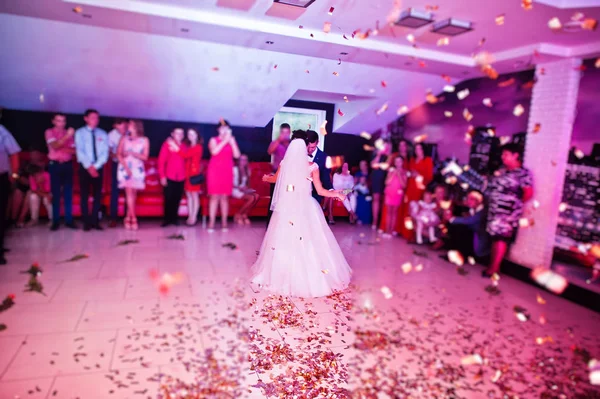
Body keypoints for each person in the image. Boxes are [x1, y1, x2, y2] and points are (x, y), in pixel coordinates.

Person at [251, 136, 351, 298]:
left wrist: (266, 178)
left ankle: (282, 276)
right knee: (311, 241)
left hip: (287, 208)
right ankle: (312, 278)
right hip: (307, 207)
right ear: (304, 149)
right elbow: (320, 191)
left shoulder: (284, 164)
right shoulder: (312, 167)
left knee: (283, 241)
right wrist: (336, 194)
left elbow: (274, 180)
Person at [483, 143, 533, 277]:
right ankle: (494, 266)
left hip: (507, 213)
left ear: (515, 155)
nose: (502, 157)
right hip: (494, 210)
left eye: (506, 154)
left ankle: (493, 269)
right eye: (502, 154)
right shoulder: (502, 170)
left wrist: (512, 204)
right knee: (495, 238)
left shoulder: (523, 173)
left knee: (501, 239)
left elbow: (527, 193)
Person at [75, 109, 109, 231]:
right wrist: (89, 166)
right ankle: (86, 222)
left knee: (97, 195)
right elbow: (80, 151)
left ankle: (95, 220)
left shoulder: (103, 134)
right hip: (85, 167)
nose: (96, 120)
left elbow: (105, 153)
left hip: (98, 167)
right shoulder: (79, 133)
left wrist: (96, 166)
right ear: (86, 118)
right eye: (93, 117)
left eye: (97, 118)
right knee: (84, 194)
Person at [206, 120, 241, 232]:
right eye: (222, 128)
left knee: (225, 197)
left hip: (227, 172)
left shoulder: (231, 140)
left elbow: (237, 155)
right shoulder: (213, 140)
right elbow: (214, 152)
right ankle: (211, 223)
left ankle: (224, 223)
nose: (224, 130)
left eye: (226, 128)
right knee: (214, 197)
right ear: (218, 129)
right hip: (214, 171)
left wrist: (231, 142)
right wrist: (225, 141)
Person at [45, 113, 77, 231]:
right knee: (56, 194)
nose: (61, 123)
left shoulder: (67, 133)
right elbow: (54, 145)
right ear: (53, 121)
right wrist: (67, 136)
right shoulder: (49, 132)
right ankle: (56, 221)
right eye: (59, 121)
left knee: (68, 194)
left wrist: (60, 146)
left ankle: (69, 220)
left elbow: (74, 151)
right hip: (55, 165)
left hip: (67, 165)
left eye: (63, 121)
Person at [437, 191, 490, 260]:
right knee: (457, 221)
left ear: (479, 200)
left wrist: (451, 218)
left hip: (479, 245)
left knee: (460, 227)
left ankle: (458, 254)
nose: (468, 201)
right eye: (468, 198)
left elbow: (470, 221)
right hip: (472, 237)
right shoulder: (473, 209)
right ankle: (447, 246)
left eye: (471, 199)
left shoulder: (483, 212)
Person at [117, 120, 149, 230]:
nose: (127, 126)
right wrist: (126, 168)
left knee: (133, 194)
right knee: (128, 192)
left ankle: (127, 216)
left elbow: (145, 157)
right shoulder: (124, 138)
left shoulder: (144, 140)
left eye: (130, 125)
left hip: (137, 169)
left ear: (136, 126)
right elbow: (119, 154)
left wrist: (132, 153)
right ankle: (133, 218)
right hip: (125, 168)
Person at [399, 143, 434, 240]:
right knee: (408, 208)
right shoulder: (412, 160)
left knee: (417, 209)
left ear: (423, 150)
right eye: (416, 149)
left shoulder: (427, 160)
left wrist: (419, 175)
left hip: (420, 188)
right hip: (410, 187)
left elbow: (429, 177)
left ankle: (414, 234)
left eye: (420, 149)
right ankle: (405, 232)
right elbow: (409, 172)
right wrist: (410, 174)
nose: (417, 151)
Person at [0, 122, 21, 264]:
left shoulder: (1, 130)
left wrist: (14, 175)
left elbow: (13, 152)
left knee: (0, 213)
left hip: (1, 177)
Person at [158, 128, 186, 227]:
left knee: (177, 198)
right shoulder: (166, 145)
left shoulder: (185, 146)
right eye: (177, 133)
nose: (179, 135)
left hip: (182, 176)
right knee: (168, 198)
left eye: (181, 133)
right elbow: (161, 161)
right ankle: (167, 219)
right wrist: (162, 176)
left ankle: (174, 219)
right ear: (172, 134)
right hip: (169, 175)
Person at [266, 123, 291, 225]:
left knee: (287, 199)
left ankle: (284, 224)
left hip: (289, 176)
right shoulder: (276, 143)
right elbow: (269, 151)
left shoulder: (292, 144)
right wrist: (279, 140)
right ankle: (270, 225)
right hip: (276, 175)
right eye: (283, 132)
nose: (285, 134)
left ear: (289, 132)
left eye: (287, 132)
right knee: (274, 200)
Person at [180, 128, 204, 226]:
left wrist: (175, 147)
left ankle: (194, 217)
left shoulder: (198, 147)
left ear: (197, 136)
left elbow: (185, 155)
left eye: (193, 134)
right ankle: (190, 216)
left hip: (194, 175)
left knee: (194, 196)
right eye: (189, 134)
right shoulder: (188, 146)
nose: (191, 136)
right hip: (187, 174)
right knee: (189, 196)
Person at [107, 118, 128, 227]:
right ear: (115, 125)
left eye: (125, 126)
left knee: (128, 191)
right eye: (121, 126)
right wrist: (118, 156)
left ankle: (127, 217)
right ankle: (113, 218)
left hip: (129, 165)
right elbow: (109, 153)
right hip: (117, 164)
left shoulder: (130, 133)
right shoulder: (111, 135)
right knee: (115, 191)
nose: (124, 129)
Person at [305, 130, 333, 204]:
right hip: (299, 193)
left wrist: (331, 190)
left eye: (312, 147)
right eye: (308, 147)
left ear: (317, 143)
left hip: (315, 194)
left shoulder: (324, 157)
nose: (309, 150)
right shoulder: (299, 154)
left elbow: (326, 178)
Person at [383, 156, 407, 238]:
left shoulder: (404, 172)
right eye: (396, 161)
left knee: (394, 212)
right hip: (390, 192)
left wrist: (399, 175)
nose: (398, 163)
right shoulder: (391, 170)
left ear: (402, 162)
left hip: (397, 193)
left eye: (399, 161)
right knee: (389, 212)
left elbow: (404, 185)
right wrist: (393, 174)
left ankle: (391, 231)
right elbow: (387, 182)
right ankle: (387, 230)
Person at [370, 141, 391, 231]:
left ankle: (382, 223)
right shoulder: (376, 155)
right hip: (376, 178)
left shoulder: (389, 156)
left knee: (384, 201)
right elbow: (372, 165)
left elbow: (387, 166)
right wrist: (378, 155)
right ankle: (374, 221)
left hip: (386, 179)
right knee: (376, 199)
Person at [233, 154, 259, 225]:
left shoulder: (247, 170)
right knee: (251, 198)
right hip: (235, 190)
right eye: (242, 160)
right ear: (238, 161)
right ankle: (238, 214)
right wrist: (239, 188)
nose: (243, 161)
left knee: (256, 196)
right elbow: (229, 184)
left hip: (243, 190)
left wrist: (248, 189)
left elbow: (247, 184)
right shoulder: (234, 169)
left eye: (245, 160)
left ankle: (244, 214)